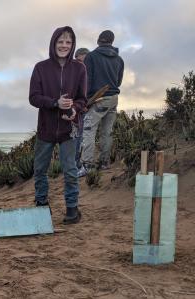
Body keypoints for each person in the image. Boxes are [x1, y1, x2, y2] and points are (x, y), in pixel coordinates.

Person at [29, 26, 87, 224]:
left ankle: (72, 210)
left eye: (68, 42)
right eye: (60, 41)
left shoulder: (80, 68)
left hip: (69, 129)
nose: (64, 45)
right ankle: (41, 206)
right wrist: (55, 103)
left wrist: (74, 110)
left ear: (73, 45)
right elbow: (33, 97)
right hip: (45, 128)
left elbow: (82, 99)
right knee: (40, 170)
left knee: (70, 170)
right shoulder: (40, 67)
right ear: (53, 43)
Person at [78, 30, 124, 176]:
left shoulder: (91, 56)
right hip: (113, 99)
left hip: (98, 99)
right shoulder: (119, 59)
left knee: (88, 130)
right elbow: (118, 82)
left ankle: (87, 166)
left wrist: (84, 101)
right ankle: (104, 163)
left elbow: (87, 81)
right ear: (112, 42)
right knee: (106, 132)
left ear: (98, 40)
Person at [74, 48, 90, 169]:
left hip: (86, 108)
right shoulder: (73, 72)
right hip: (75, 111)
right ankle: (74, 164)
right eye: (80, 60)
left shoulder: (88, 72)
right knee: (76, 137)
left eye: (85, 61)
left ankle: (78, 162)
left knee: (83, 137)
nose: (82, 64)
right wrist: (80, 106)